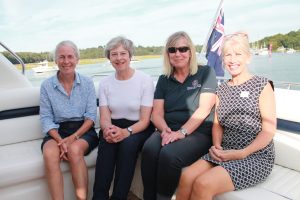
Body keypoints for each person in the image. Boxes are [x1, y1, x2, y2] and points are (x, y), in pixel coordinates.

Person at [176, 32, 276, 200]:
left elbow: (268, 131)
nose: (232, 59)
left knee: (203, 184)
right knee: (186, 176)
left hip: (255, 156)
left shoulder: (262, 85)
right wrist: (216, 146)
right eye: (228, 54)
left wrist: (243, 153)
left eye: (238, 54)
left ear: (248, 57)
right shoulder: (222, 89)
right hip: (224, 151)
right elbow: (217, 125)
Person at [141, 31, 217, 200]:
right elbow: (157, 113)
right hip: (168, 129)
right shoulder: (164, 79)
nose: (178, 54)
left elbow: (203, 110)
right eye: (172, 50)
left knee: (169, 155)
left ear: (190, 51)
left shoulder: (206, 73)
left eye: (183, 49)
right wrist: (165, 130)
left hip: (198, 132)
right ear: (167, 54)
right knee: (149, 149)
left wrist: (181, 133)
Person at [92, 36, 155, 200]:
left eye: (123, 53)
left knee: (128, 145)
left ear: (130, 55)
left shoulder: (145, 80)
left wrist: (126, 132)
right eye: (114, 54)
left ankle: (119, 197)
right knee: (107, 144)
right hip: (113, 125)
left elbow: (145, 120)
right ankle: (99, 197)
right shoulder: (105, 83)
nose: (119, 58)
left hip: (138, 127)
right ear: (109, 58)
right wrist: (108, 130)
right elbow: (105, 117)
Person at [40, 40, 99, 200]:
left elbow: (91, 117)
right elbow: (46, 119)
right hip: (58, 132)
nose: (66, 61)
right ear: (56, 60)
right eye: (61, 57)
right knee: (50, 153)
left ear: (77, 59)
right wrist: (61, 141)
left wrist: (73, 138)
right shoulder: (46, 86)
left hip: (83, 130)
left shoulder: (87, 83)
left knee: (74, 150)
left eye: (70, 57)